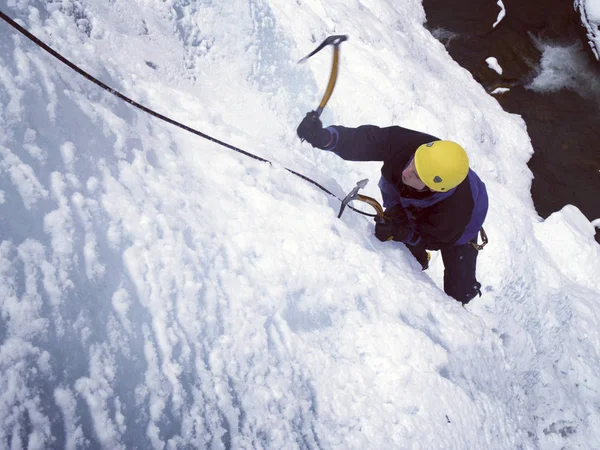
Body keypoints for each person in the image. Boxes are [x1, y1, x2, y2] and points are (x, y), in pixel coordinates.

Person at [297, 112, 488, 304]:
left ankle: (461, 298)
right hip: (408, 202)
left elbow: (433, 240)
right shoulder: (417, 148)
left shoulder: (453, 215)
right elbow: (368, 141)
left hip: (459, 231)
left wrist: (404, 233)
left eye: (416, 174)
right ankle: (417, 263)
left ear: (432, 187)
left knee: (459, 288)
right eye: (414, 161)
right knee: (394, 238)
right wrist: (326, 138)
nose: (406, 171)